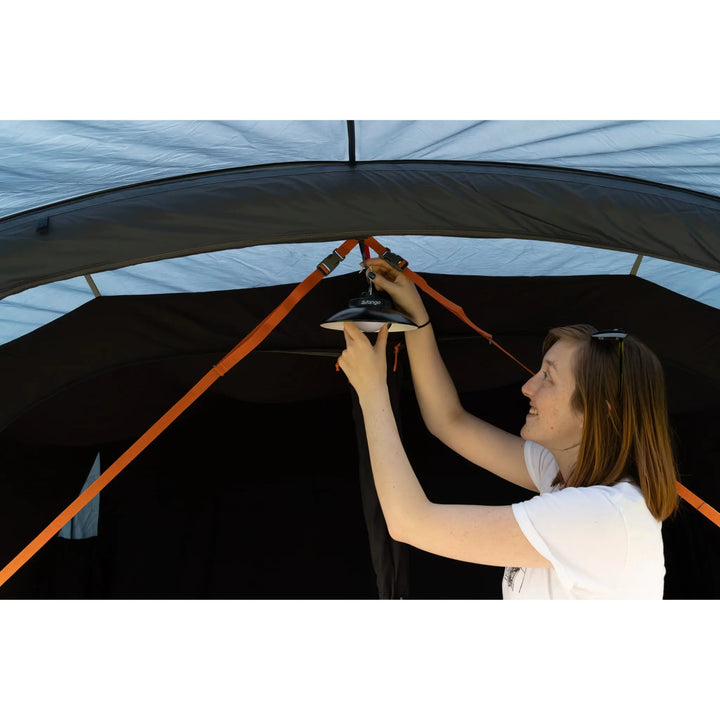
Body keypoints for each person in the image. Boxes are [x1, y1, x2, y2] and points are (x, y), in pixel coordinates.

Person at [337, 257, 679, 599]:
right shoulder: (564, 478)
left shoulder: (600, 517)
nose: (528, 387)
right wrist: (417, 319)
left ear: (596, 412)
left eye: (548, 377)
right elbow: (449, 421)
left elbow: (409, 523)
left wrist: (371, 391)